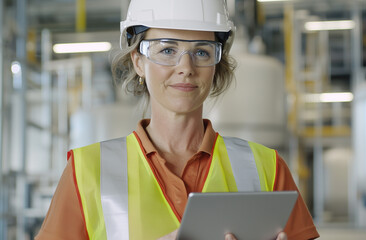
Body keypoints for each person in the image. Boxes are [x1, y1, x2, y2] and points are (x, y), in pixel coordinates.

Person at [36, 0, 320, 239]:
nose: (186, 68)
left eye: (201, 52)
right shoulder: (85, 172)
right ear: (139, 61)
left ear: (216, 64)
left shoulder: (268, 169)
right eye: (167, 50)